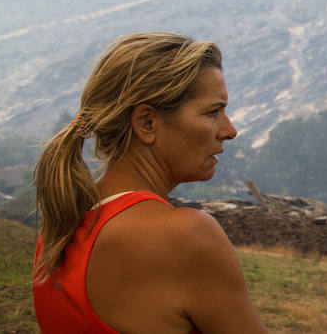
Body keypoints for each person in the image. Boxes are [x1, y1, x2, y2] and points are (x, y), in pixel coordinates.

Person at [32, 32, 267, 333]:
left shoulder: (60, 226)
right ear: (146, 123)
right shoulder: (185, 236)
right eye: (212, 112)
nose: (229, 130)